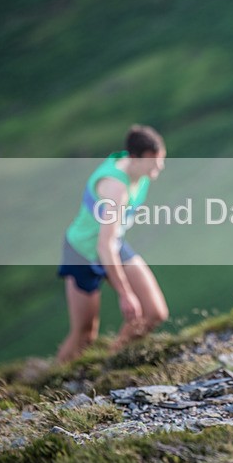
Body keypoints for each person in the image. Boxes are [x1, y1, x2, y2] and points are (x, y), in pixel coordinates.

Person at [57, 125, 169, 363]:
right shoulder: (116, 188)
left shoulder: (139, 171)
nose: (159, 167)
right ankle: (49, 385)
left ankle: (110, 361)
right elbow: (103, 246)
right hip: (84, 253)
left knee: (154, 313)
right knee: (85, 335)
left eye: (161, 160)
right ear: (134, 158)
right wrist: (125, 293)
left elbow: (111, 240)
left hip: (113, 243)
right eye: (153, 162)